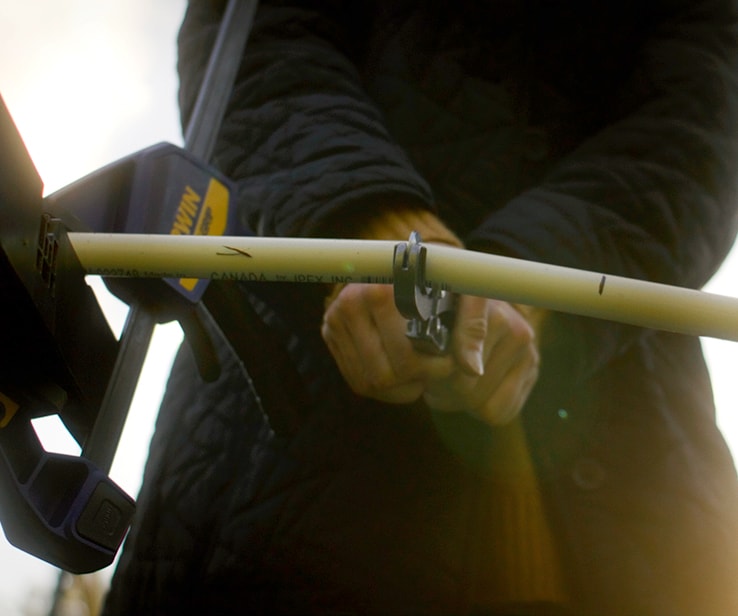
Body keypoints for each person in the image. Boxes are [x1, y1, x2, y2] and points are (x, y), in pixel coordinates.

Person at [102, 1, 738, 614]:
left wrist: (520, 281)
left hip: (624, 455)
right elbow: (255, 35)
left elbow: (706, 115)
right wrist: (375, 227)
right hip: (278, 425)